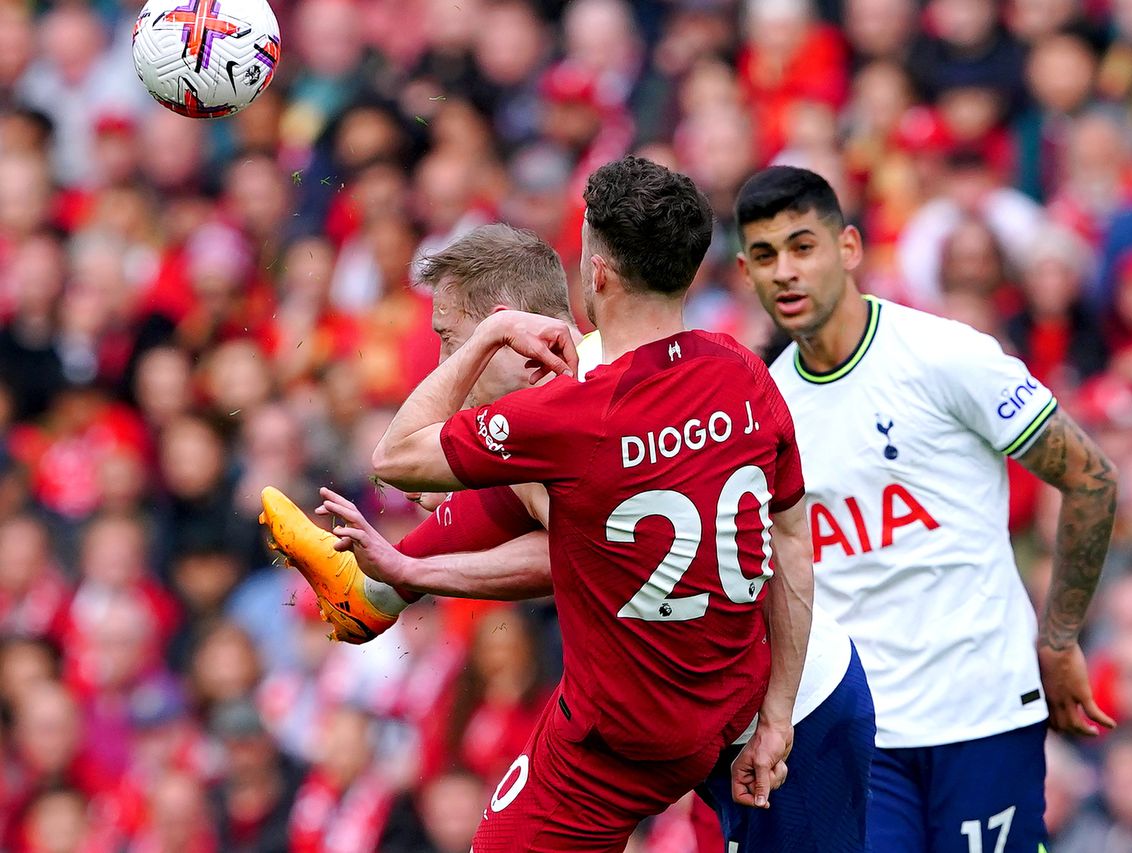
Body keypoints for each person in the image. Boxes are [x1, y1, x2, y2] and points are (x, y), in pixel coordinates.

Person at [261, 222, 875, 851]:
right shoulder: (605, 371)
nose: (447, 364)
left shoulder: (579, 411)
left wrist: (420, 572)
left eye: (450, 340)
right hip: (686, 706)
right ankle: (369, 591)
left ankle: (372, 591)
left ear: (508, 328)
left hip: (788, 706)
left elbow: (565, 550)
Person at [734, 165, 1119, 852]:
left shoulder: (946, 356)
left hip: (985, 715)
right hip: (860, 734)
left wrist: (1057, 639)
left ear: (849, 248)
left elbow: (1091, 476)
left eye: (802, 246)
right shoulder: (765, 407)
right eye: (765, 256)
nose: (785, 272)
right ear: (745, 271)